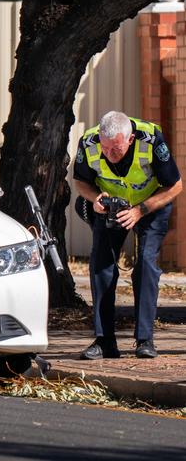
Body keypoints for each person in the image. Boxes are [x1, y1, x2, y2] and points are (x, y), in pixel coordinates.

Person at [73, 111, 182, 360]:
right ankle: (104, 342)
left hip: (151, 205)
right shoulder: (89, 143)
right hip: (113, 206)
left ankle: (145, 340)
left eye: (116, 148)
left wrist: (140, 211)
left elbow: (176, 185)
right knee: (101, 266)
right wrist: (95, 199)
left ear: (130, 139)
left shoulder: (151, 139)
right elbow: (81, 182)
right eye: (106, 147)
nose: (110, 154)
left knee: (145, 265)